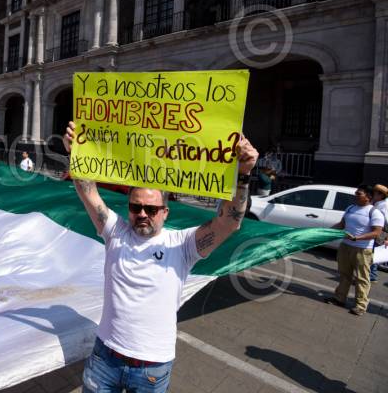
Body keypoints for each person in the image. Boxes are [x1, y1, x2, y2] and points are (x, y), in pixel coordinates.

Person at [63, 121, 258, 392]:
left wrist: (243, 173)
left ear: (165, 212)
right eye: (136, 207)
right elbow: (88, 192)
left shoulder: (183, 244)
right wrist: (77, 153)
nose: (142, 214)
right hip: (104, 357)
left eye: (151, 209)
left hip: (152, 370)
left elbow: (229, 222)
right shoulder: (115, 231)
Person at [324, 184, 385, 316]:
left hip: (363, 249)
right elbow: (342, 224)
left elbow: (376, 233)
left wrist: (357, 238)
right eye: (356, 193)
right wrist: (325, 231)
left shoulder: (374, 212)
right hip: (345, 246)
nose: (355, 195)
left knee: (362, 278)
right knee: (344, 274)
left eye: (359, 194)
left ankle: (360, 306)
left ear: (368, 197)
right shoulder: (350, 208)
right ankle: (339, 298)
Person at [370, 184, 388, 279]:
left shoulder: (384, 205)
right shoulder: (377, 203)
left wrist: (387, 238)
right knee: (372, 254)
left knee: (373, 255)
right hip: (376, 231)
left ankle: (372, 276)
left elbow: (387, 222)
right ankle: (371, 275)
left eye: (375, 192)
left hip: (380, 233)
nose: (373, 194)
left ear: (381, 195)